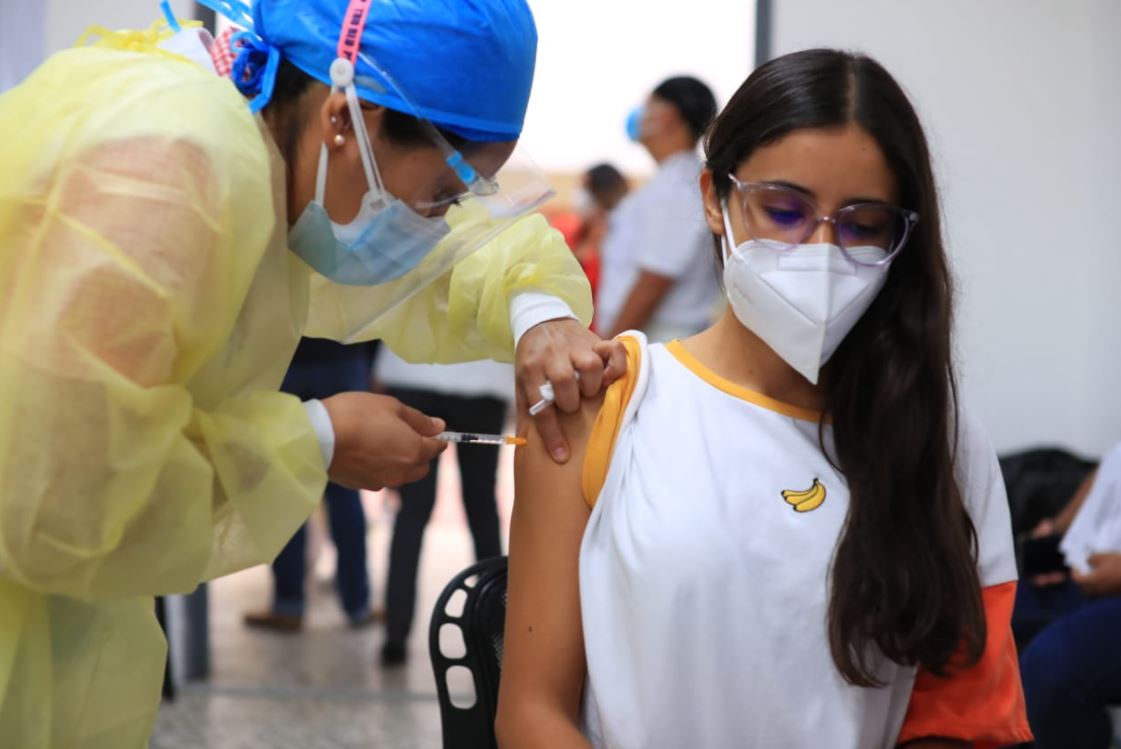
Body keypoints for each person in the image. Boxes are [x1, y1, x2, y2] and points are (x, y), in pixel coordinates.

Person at [0, 1, 627, 746]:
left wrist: (539, 313)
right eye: (441, 195)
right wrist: (316, 437)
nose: (438, 223)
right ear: (343, 116)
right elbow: (56, 491)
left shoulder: (268, 157)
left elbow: (454, 258)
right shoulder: (170, 166)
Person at [496, 49, 1032, 748]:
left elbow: (970, 718)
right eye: (782, 209)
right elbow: (532, 714)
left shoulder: (938, 438)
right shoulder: (604, 407)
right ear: (713, 199)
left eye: (862, 225)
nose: (819, 248)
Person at [375, 348, 514, 666]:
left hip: (414, 372)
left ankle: (395, 633)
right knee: (482, 508)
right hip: (484, 379)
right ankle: (497, 628)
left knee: (411, 510)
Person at [244, 338, 377, 632]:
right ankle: (357, 604)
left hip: (284, 356)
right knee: (345, 489)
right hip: (344, 354)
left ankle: (288, 605)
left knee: (283, 486)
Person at [595, 76, 721, 342]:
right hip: (652, 340)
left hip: (656, 342)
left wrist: (608, 348)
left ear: (667, 116)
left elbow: (654, 279)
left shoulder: (676, 188)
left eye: (647, 105)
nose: (639, 115)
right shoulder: (671, 181)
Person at [1014, 442, 1121, 749]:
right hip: (1090, 575)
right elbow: (1111, 467)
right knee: (973, 621)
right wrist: (1057, 534)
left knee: (1049, 667)